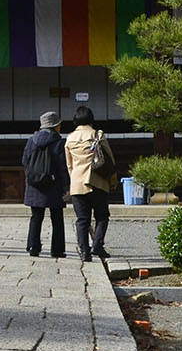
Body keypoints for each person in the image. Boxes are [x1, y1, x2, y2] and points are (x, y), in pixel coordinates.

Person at [65, 105, 117, 262]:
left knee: (82, 219)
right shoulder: (97, 135)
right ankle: (97, 246)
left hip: (78, 184)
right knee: (102, 216)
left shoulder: (69, 138)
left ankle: (84, 252)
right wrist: (112, 181)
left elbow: (69, 165)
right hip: (98, 182)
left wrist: (74, 180)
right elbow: (109, 160)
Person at [22, 111, 68, 258]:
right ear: (56, 126)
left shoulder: (31, 140)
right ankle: (57, 250)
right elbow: (62, 166)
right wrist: (66, 186)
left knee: (36, 217)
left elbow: (25, 161)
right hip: (53, 184)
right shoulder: (59, 142)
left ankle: (33, 247)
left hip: (34, 184)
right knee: (57, 218)